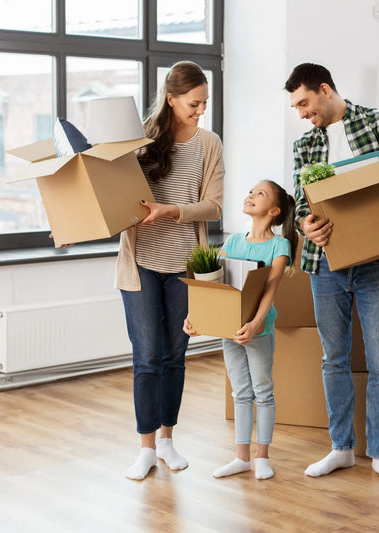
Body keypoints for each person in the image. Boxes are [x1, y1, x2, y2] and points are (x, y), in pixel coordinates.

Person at [284, 63, 379, 487]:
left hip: (377, 260)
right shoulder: (304, 145)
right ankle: (341, 449)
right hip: (326, 266)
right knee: (334, 359)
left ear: (325, 90)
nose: (303, 113)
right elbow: (300, 204)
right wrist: (304, 225)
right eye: (296, 107)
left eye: (305, 103)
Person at [116, 60, 225, 481]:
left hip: (184, 265)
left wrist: (171, 211)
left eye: (204, 104)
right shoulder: (139, 139)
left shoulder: (209, 144)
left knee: (174, 356)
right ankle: (144, 447)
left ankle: (166, 439)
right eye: (194, 103)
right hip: (140, 265)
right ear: (171, 98)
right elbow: (111, 195)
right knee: (146, 357)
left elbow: (214, 206)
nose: (200, 111)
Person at [183, 180, 296, 480]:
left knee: (263, 390)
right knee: (241, 392)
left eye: (260, 194)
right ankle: (241, 457)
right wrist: (195, 316)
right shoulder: (233, 241)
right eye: (250, 191)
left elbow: (270, 289)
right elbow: (215, 286)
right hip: (229, 330)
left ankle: (262, 457)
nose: (250, 195)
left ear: (274, 210)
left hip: (257, 330)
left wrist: (256, 324)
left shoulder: (279, 245)